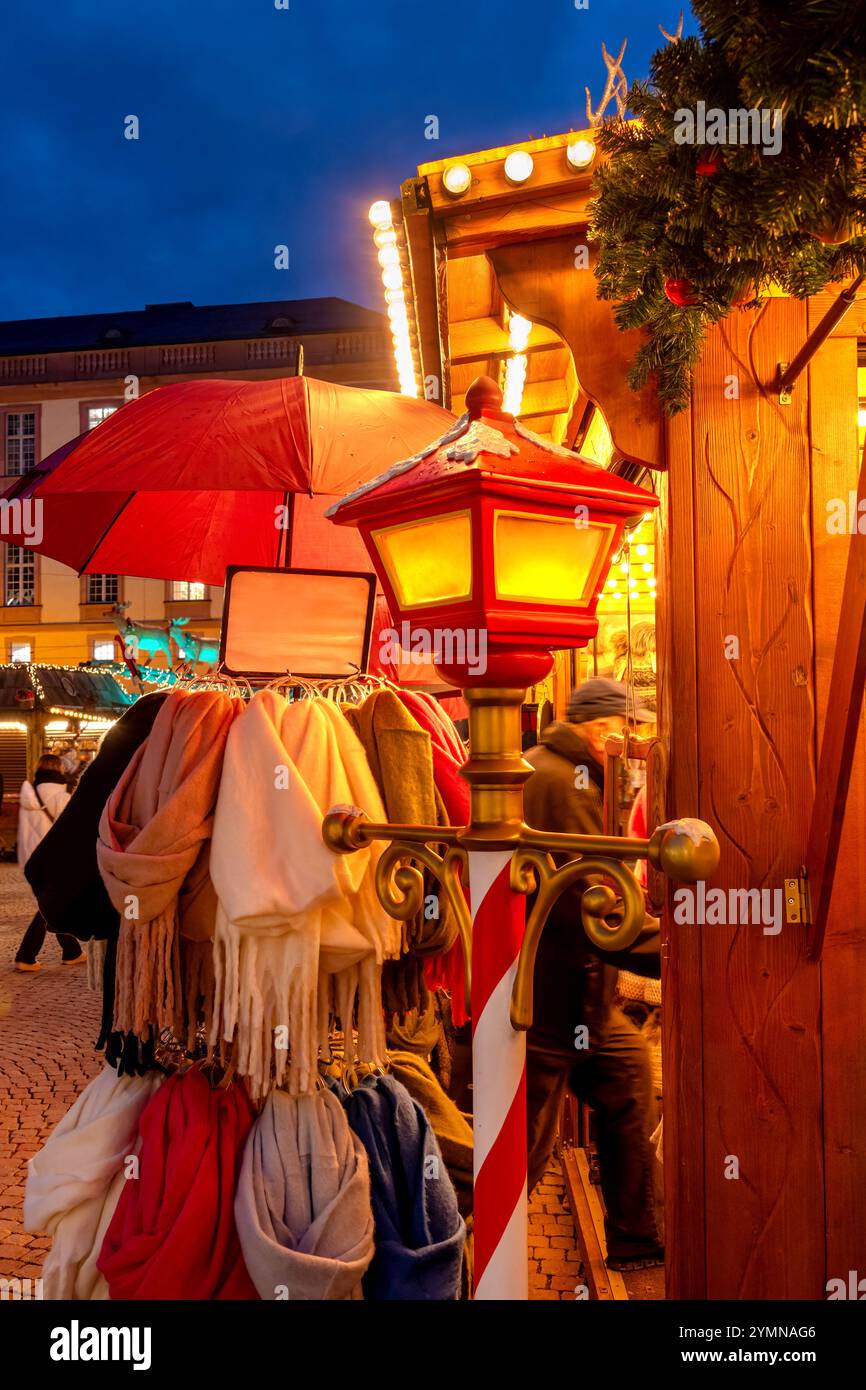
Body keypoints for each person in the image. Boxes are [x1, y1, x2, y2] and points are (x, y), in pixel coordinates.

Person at [523, 677, 664, 1271]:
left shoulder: (554, 768)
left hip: (575, 995)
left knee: (627, 1080)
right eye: (625, 725)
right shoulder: (563, 779)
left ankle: (635, 1238)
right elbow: (588, 896)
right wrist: (665, 952)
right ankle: (465, 1249)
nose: (629, 736)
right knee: (519, 1145)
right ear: (600, 725)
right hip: (554, 997)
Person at [14, 754, 84, 972]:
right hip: (55, 860)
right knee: (48, 906)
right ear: (59, 770)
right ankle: (26, 955)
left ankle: (71, 951)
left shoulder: (29, 795)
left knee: (55, 902)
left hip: (31, 860)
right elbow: (73, 832)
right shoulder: (62, 797)